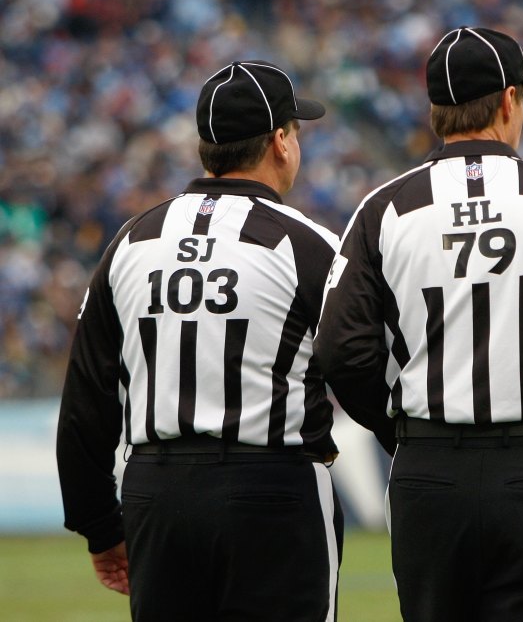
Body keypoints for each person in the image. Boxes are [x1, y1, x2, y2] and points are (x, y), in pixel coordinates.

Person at [314, 26, 523, 621]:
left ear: (434, 112)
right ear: (508, 100)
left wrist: (400, 425)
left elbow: (341, 351)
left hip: (429, 468)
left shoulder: (385, 209)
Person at [56, 60, 349, 621]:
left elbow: (86, 397)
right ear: (281, 142)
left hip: (155, 492)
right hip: (273, 488)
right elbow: (362, 362)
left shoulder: (133, 239)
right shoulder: (309, 245)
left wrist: (98, 525)